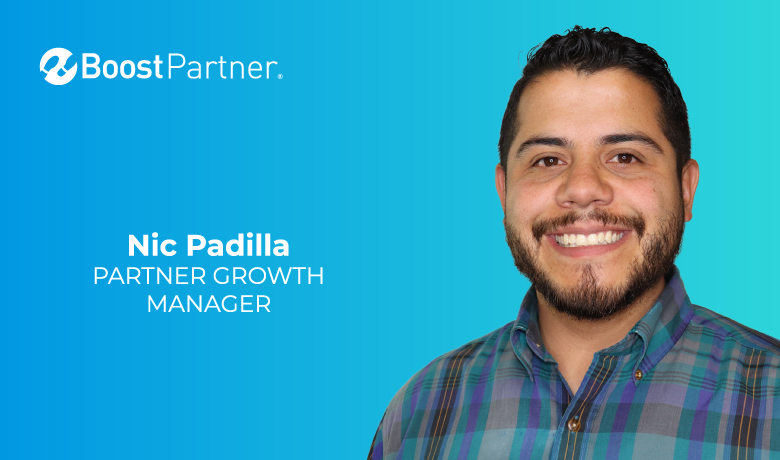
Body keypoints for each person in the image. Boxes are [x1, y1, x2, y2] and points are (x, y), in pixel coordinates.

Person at [367, 26, 780, 460]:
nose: (582, 189)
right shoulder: (418, 414)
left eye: (624, 157)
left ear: (686, 189)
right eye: (547, 160)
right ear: (503, 192)